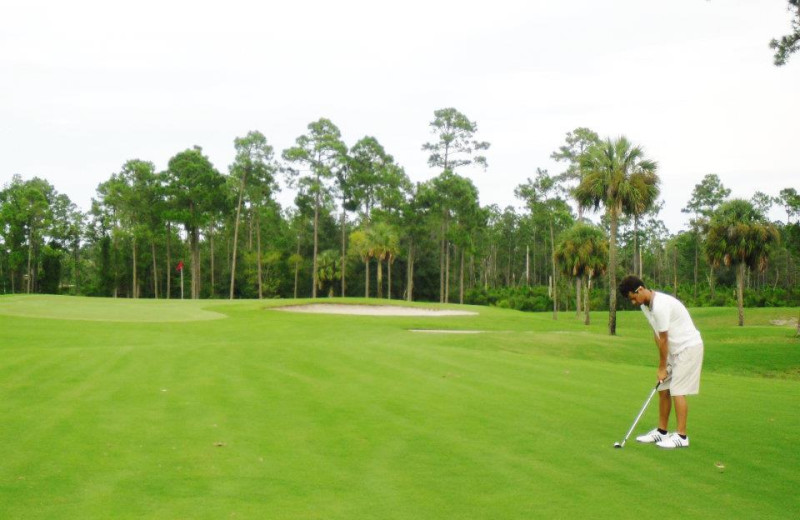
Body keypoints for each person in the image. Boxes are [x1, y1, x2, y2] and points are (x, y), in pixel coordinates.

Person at [618, 275, 704, 449]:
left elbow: (664, 338)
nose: (634, 303)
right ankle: (662, 432)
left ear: (640, 290)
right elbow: (657, 335)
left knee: (677, 390)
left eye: (634, 298)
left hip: (688, 348)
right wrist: (665, 362)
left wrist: (662, 366)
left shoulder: (660, 306)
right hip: (674, 350)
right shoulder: (646, 306)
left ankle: (681, 436)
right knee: (663, 388)